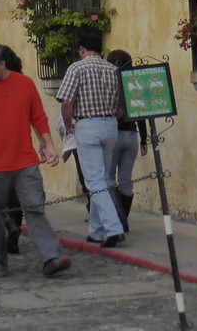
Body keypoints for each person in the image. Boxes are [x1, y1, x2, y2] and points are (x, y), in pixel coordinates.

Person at [0, 43, 71, 279]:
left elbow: (38, 118)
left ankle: (52, 257)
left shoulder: (25, 84)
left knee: (35, 209)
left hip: (25, 163)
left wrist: (48, 146)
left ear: (2, 64)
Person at [56, 29, 127, 247]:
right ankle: (96, 231)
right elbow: (122, 107)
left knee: (94, 181)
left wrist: (68, 125)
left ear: (82, 50)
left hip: (87, 124)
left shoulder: (77, 68)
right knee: (103, 178)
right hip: (110, 125)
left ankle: (114, 228)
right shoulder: (113, 69)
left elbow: (66, 102)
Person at [105, 49, 148, 232]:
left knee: (108, 179)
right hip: (131, 135)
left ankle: (119, 219)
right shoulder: (133, 84)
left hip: (113, 134)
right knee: (126, 180)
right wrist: (144, 139)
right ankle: (124, 219)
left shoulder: (107, 84)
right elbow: (141, 114)